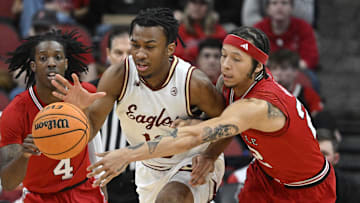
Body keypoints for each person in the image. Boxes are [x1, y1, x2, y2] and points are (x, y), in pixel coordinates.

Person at [85, 26, 336, 203]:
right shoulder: (228, 83)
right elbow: (211, 123)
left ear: (258, 66)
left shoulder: (258, 105)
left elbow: (195, 135)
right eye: (224, 55)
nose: (225, 65)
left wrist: (127, 154)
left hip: (307, 189)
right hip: (265, 176)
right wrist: (210, 150)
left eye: (236, 59)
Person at [51, 7, 226, 203]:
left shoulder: (193, 82)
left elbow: (228, 123)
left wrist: (210, 155)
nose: (140, 54)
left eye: (149, 47)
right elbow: (90, 128)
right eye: (136, 45)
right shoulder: (118, 76)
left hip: (192, 160)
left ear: (169, 48)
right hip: (149, 167)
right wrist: (78, 112)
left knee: (171, 199)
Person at [0, 30, 106, 203]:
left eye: (57, 57)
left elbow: (93, 141)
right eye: (43, 58)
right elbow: (8, 183)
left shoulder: (84, 94)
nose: (51, 63)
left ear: (65, 63)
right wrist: (24, 155)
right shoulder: (15, 112)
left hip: (84, 191)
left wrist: (85, 109)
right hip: (39, 197)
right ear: (33, 66)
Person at [91, 26, 138, 203]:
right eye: (119, 52)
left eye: (130, 52)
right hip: (102, 177)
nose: (125, 59)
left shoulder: (152, 91)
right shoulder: (91, 91)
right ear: (108, 54)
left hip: (139, 177)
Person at [254, 0, 319, 70]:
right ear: (267, 9)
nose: (279, 7)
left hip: (297, 71)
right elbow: (252, 56)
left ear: (292, 8)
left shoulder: (303, 27)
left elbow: (310, 58)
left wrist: (289, 70)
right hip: (265, 72)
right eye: (274, 3)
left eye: (284, 3)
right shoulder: (258, 29)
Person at [267, 49, 323, 117]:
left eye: (284, 68)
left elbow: (318, 114)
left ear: (295, 72)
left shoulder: (307, 94)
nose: (278, 73)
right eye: (274, 68)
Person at [174, 0, 227, 64]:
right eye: (194, 2)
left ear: (209, 7)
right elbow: (177, 56)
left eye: (202, 3)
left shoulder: (217, 30)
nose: (197, 7)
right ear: (187, 5)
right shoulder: (179, 29)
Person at [317, 128, 360, 203]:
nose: (318, 158)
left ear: (336, 158)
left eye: (324, 154)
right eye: (314, 153)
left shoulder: (350, 188)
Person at [241, 0, 317, 28]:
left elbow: (307, 19)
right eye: (274, 3)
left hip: (295, 31)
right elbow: (249, 19)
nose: (279, 7)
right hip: (265, 33)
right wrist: (271, 27)